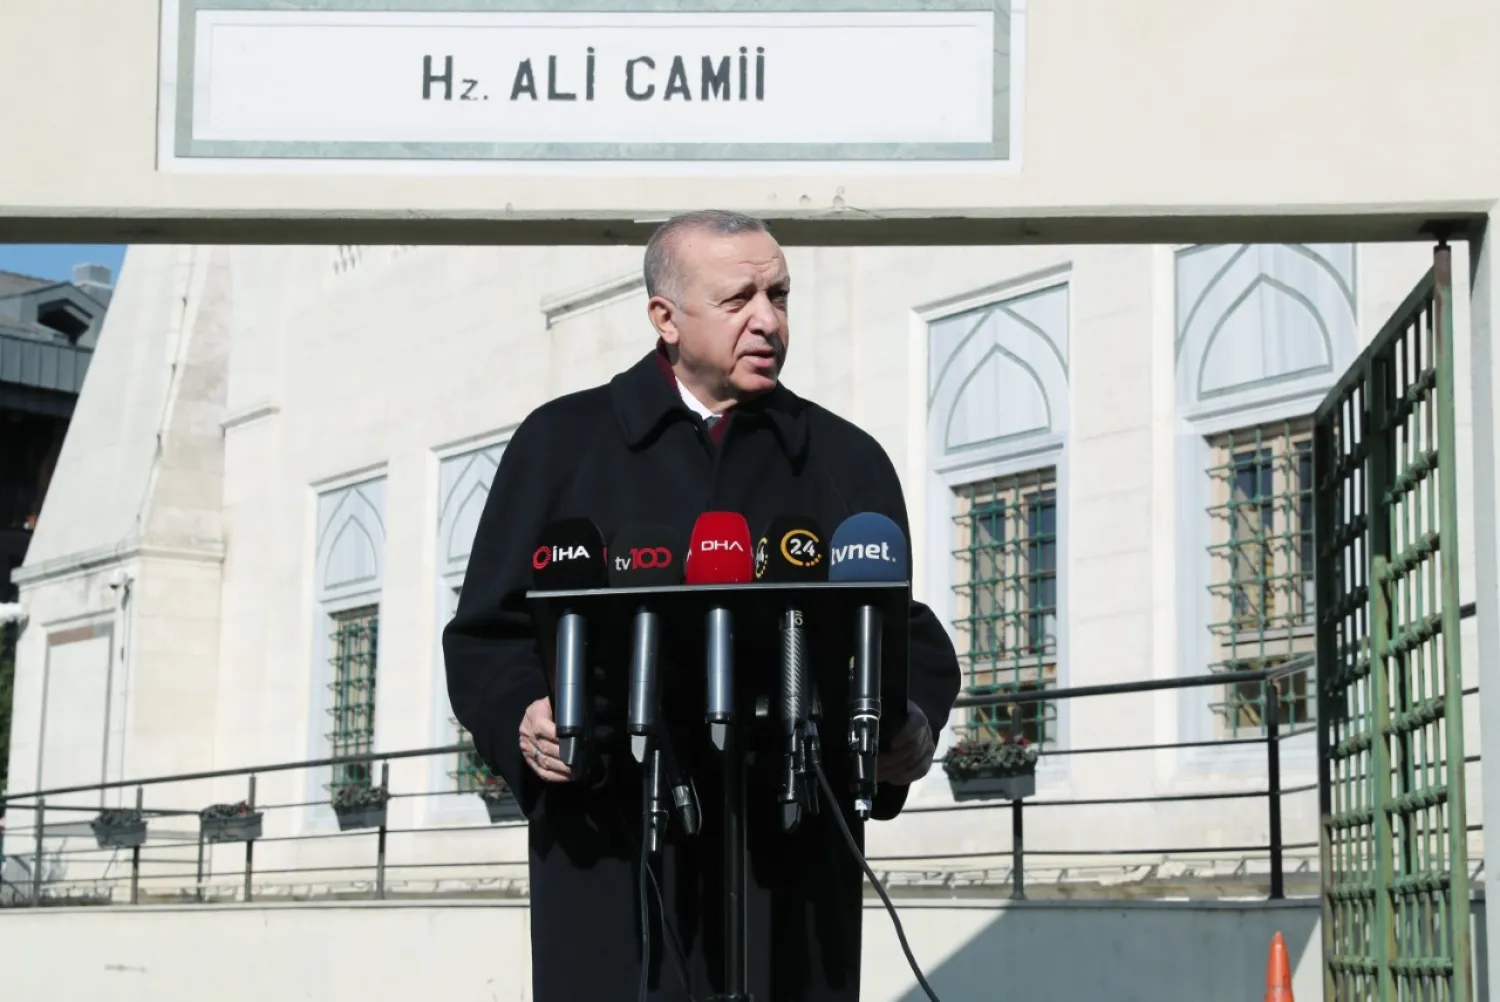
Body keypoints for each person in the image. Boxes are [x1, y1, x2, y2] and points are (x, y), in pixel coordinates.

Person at [443, 210, 961, 1001]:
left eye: (780, 294)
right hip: (610, 844)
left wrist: (912, 720)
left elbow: (901, 628)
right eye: (738, 298)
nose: (768, 319)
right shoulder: (561, 444)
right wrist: (523, 714)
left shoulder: (845, 459)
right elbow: (486, 635)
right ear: (666, 318)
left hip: (791, 856)